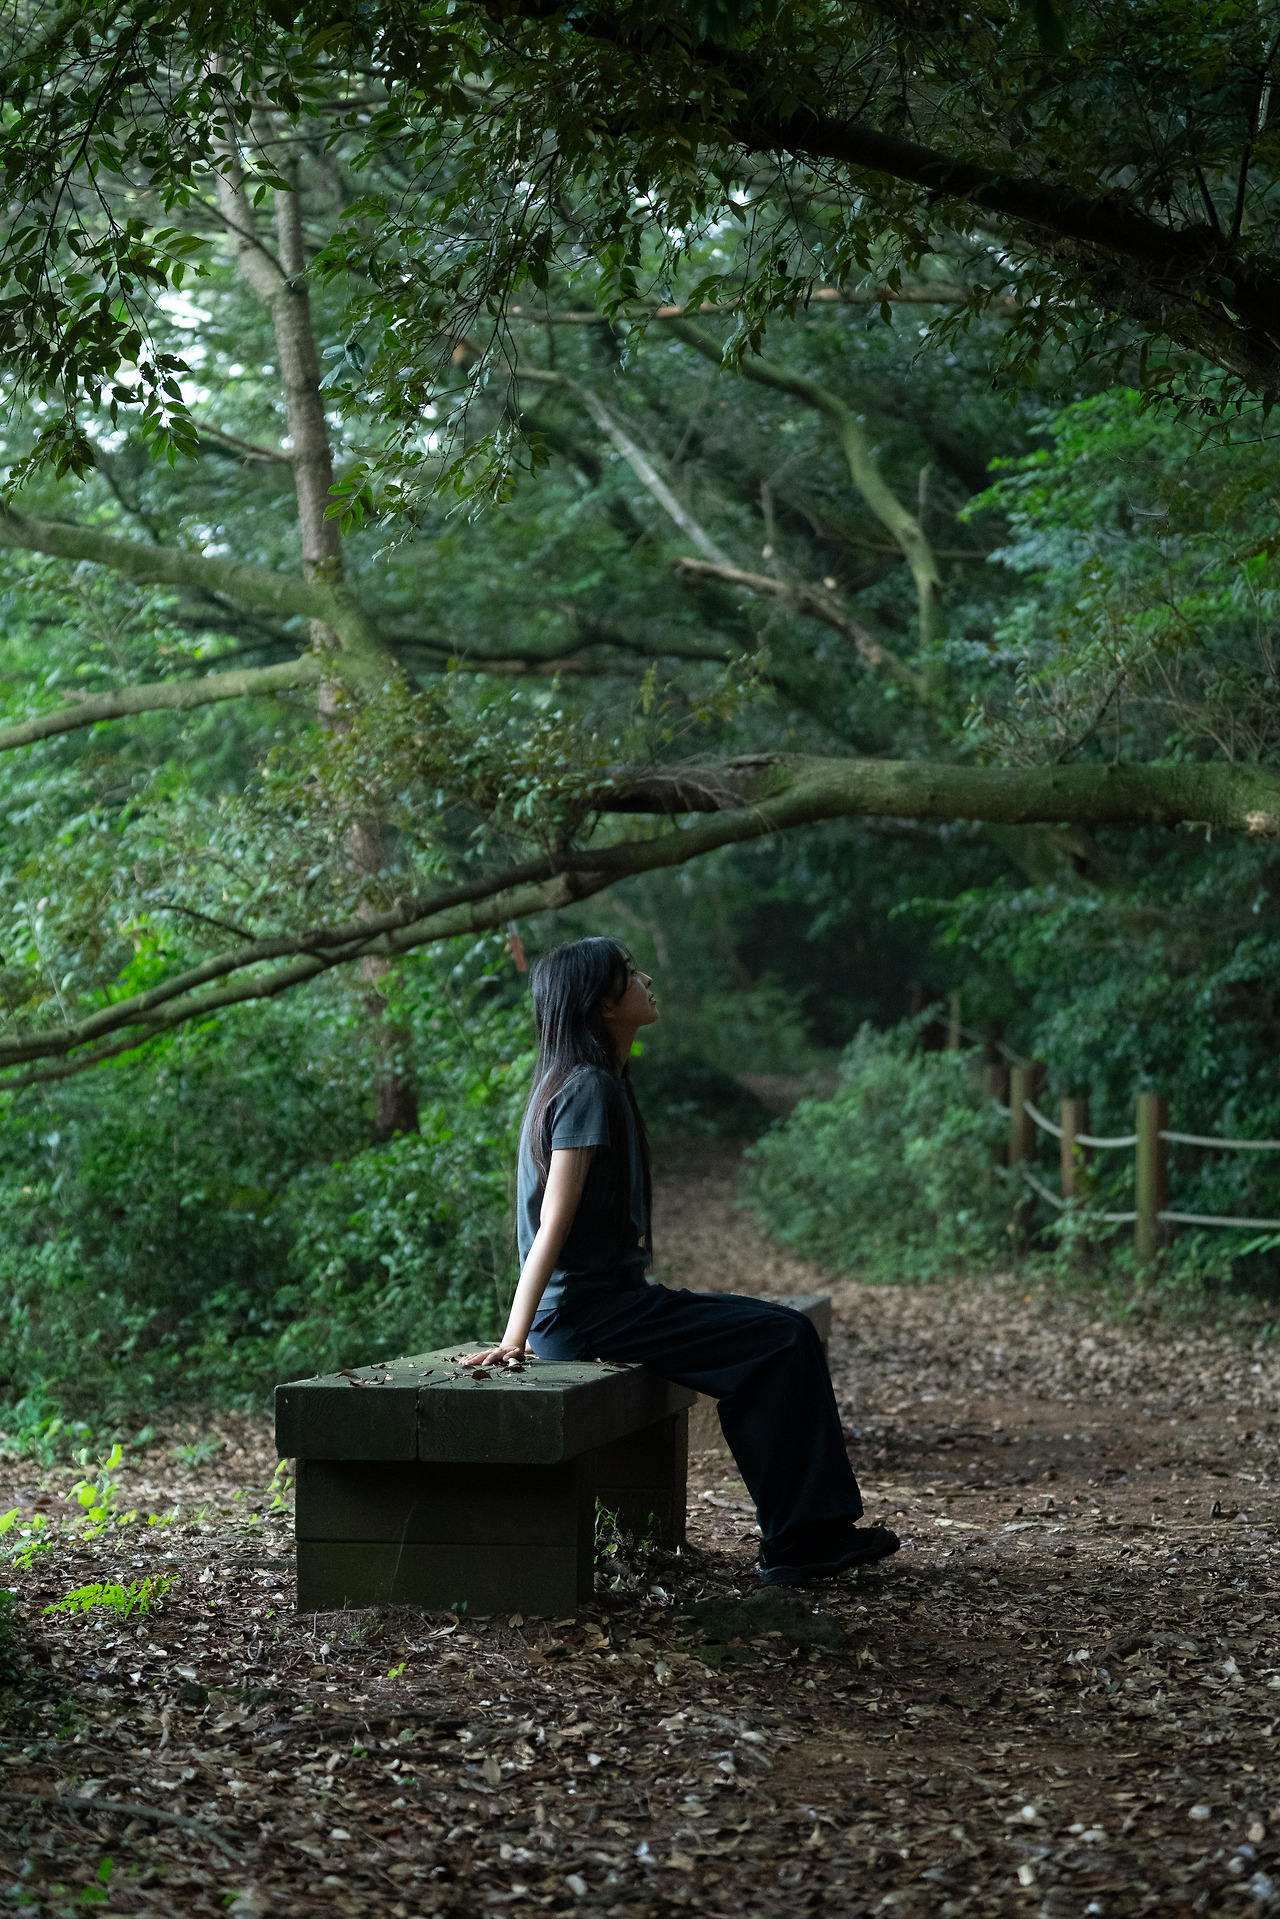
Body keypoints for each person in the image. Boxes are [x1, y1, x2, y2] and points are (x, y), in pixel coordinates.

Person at [462, 935, 898, 1586]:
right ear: (603, 1003)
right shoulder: (587, 1087)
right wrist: (514, 1337)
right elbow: (553, 1220)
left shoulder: (591, 1081)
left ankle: (808, 1535)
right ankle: (799, 1541)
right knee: (781, 1339)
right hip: (587, 1316)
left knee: (785, 1334)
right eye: (629, 973)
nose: (647, 979)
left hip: (610, 1305)